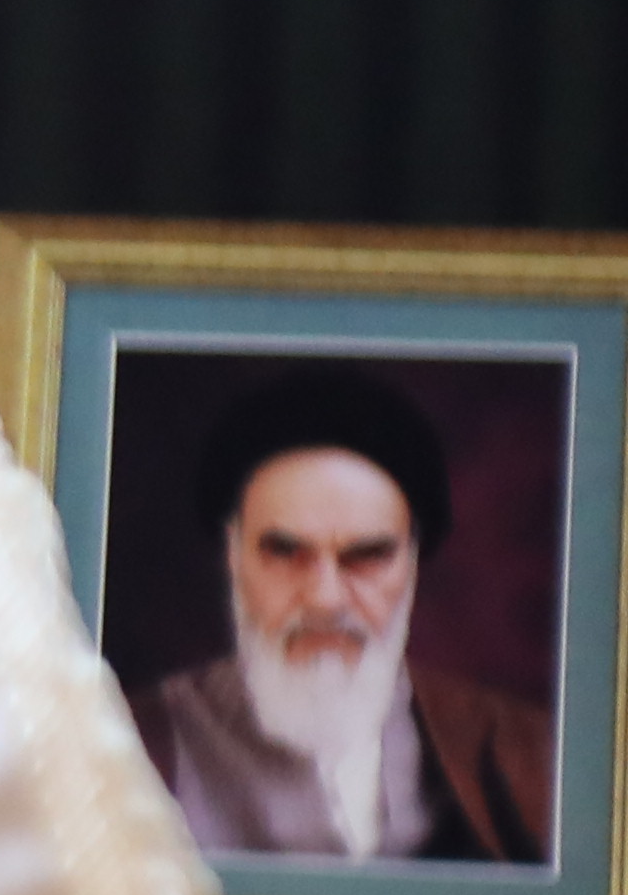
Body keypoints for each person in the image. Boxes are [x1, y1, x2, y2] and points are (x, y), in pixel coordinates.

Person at [133, 365, 557, 865]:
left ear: (412, 564)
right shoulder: (121, 741)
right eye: (285, 552)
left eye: (366, 556)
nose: (325, 599)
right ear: (233, 555)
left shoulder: (527, 751)